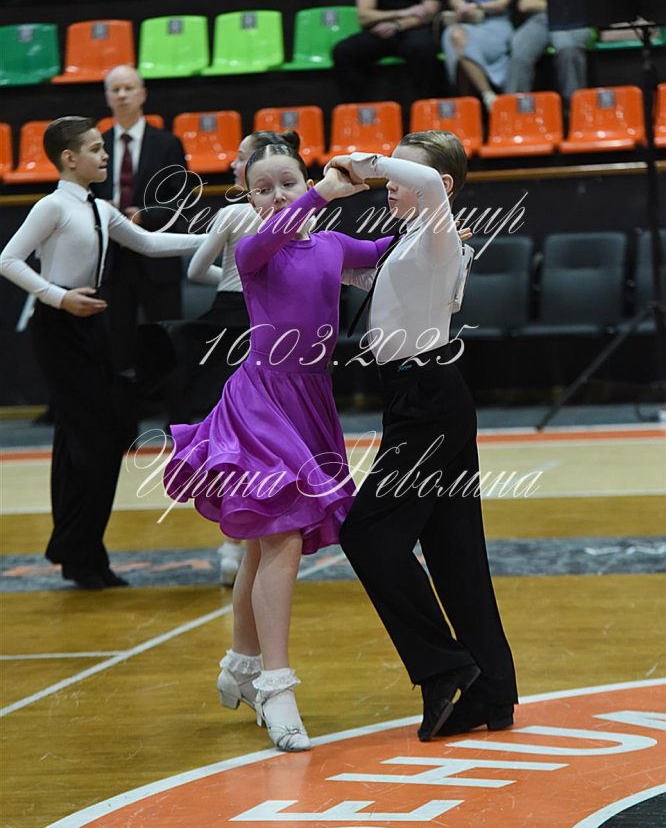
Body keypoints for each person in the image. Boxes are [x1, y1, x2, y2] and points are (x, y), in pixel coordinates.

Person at [163, 142, 393, 752]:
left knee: (261, 544)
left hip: (311, 403)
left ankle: (241, 664)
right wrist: (319, 192)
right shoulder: (252, 248)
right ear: (248, 199)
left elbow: (385, 251)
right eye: (262, 189)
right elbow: (275, 232)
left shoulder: (333, 245)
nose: (277, 195)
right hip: (262, 402)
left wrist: (435, 224)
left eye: (287, 182)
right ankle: (276, 684)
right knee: (283, 535)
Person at [327, 131, 518, 741]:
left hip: (427, 400)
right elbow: (370, 281)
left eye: (400, 174)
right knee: (454, 551)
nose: (389, 183)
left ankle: (444, 667)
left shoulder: (438, 229)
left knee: (367, 536)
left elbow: (429, 184)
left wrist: (359, 163)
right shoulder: (414, 240)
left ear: (442, 185)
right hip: (424, 398)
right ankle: (492, 690)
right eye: (388, 174)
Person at [0, 117, 204, 590]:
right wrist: (58, 297)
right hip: (59, 328)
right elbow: (8, 259)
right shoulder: (52, 206)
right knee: (92, 441)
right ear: (69, 158)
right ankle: (80, 552)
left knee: (101, 438)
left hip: (92, 324)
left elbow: (149, 244)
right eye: (95, 148)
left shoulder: (97, 207)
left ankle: (79, 550)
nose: (105, 154)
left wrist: (220, 238)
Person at [186, 129, 302, 587]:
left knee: (232, 436)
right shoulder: (300, 216)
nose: (234, 164)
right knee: (272, 437)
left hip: (230, 320)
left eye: (240, 157)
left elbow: (196, 270)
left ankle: (233, 544)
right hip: (276, 329)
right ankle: (262, 532)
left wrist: (233, 276)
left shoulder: (233, 213)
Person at [93, 64, 188, 373]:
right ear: (107, 97)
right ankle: (123, 403)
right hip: (112, 259)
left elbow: (181, 200)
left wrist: (144, 216)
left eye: (129, 88)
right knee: (116, 344)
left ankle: (173, 403)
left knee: (166, 339)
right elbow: (84, 197)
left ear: (143, 94)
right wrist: (101, 208)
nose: (122, 95)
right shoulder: (95, 145)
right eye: (115, 90)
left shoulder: (167, 143)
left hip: (156, 257)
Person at [504, 0, 590, 113]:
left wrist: (543, 3)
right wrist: (556, 4)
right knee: (519, 49)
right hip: (539, 20)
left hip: (571, 19)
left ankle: (575, 111)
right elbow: (522, 4)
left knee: (568, 48)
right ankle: (514, 111)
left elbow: (580, 2)